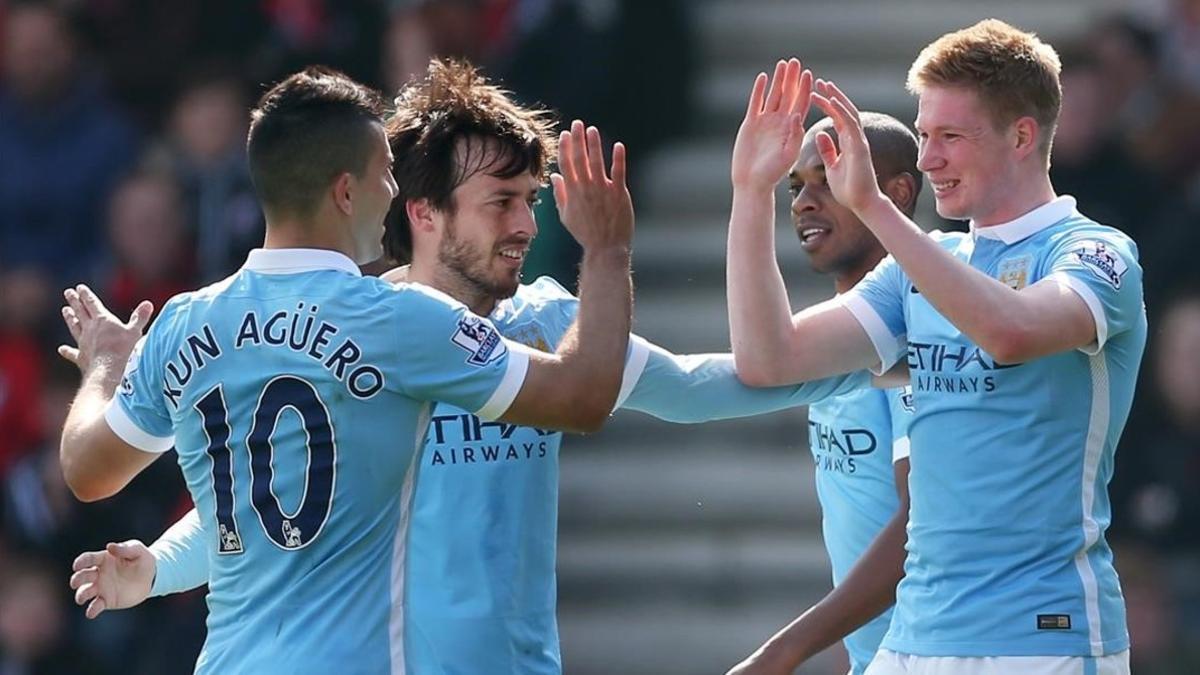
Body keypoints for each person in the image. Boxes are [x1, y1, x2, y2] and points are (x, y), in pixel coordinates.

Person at [67, 59, 871, 675]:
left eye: (532, 198)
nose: (526, 223)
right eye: (501, 201)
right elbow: (280, 505)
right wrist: (165, 566)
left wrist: (870, 357)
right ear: (419, 210)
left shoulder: (550, 323)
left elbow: (695, 389)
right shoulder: (385, 332)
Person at [57, 65, 638, 674]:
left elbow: (86, 471)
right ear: (346, 193)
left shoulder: (184, 323)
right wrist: (606, 249)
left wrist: (104, 368)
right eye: (385, 171)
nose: (394, 190)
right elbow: (583, 397)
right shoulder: (401, 320)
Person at [727, 19, 1145, 674]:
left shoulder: (1093, 252)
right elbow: (769, 359)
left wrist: (875, 209)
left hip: (1042, 636)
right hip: (914, 639)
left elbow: (1010, 332)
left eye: (950, 136)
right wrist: (750, 193)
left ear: (1022, 136)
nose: (926, 160)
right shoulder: (919, 265)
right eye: (923, 136)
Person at [729, 113, 919, 675]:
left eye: (827, 179)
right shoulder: (835, 332)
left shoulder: (918, 316)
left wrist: (781, 652)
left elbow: (920, 523)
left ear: (899, 192)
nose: (803, 202)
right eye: (794, 186)